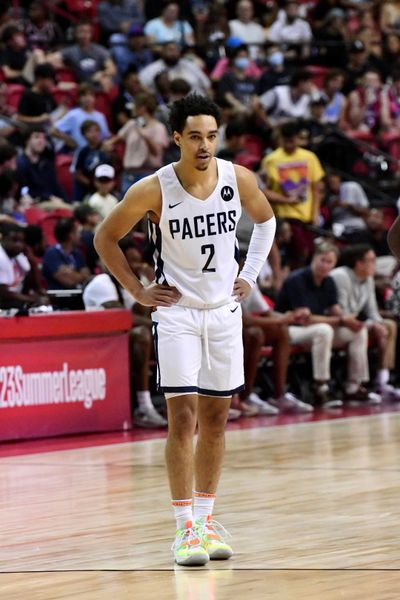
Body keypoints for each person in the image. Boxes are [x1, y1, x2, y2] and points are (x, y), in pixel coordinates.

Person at [94, 93, 276, 566]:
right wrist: (136, 290)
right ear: (176, 137)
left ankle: (207, 519)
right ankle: (184, 529)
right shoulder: (153, 188)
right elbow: (104, 237)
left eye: (211, 136)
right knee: (183, 419)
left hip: (224, 312)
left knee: (217, 420)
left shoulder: (238, 178)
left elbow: (267, 221)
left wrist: (250, 275)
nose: (204, 145)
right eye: (195, 136)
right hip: (176, 313)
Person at [275, 242, 380, 406]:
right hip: (288, 329)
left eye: (329, 262)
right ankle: (321, 388)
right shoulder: (296, 280)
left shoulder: (329, 282)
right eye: (322, 260)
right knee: (324, 330)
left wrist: (348, 320)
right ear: (314, 258)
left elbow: (335, 309)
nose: (325, 265)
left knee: (358, 331)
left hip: (314, 331)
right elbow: (304, 319)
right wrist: (341, 320)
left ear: (334, 264)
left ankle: (354, 386)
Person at [331, 245, 400, 401]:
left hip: (356, 321)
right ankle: (357, 384)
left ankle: (383, 380)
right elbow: (343, 312)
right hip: (338, 322)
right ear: (359, 263)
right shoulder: (340, 276)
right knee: (366, 330)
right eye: (371, 261)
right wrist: (372, 324)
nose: (375, 265)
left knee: (388, 326)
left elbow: (372, 311)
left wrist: (377, 324)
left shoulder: (368, 278)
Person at [261, 121, 324, 267]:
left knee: (309, 253)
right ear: (280, 139)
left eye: (293, 140)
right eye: (286, 140)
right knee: (300, 253)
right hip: (286, 217)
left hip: (306, 216)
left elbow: (316, 187)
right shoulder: (271, 160)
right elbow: (264, 190)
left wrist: (315, 213)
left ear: (298, 138)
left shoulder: (309, 157)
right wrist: (286, 200)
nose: (290, 144)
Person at [0, 222, 45, 309]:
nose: (19, 245)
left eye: (22, 241)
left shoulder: (19, 257)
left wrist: (33, 263)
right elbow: (3, 294)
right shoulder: (1, 256)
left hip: (14, 303)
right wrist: (30, 299)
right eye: (14, 240)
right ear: (3, 239)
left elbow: (35, 286)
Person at [42, 217, 91, 290]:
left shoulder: (76, 253)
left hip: (79, 294)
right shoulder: (51, 253)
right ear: (71, 235)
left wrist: (72, 273)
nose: (80, 236)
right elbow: (68, 282)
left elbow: (87, 276)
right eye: (77, 232)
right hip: (62, 298)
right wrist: (80, 275)